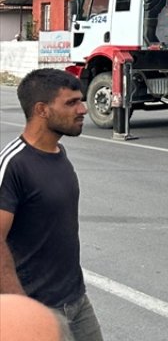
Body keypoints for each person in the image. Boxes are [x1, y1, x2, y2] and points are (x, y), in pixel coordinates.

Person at [0, 69, 104, 340]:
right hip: (37, 305)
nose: (83, 109)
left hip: (77, 302)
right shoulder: (14, 164)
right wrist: (22, 308)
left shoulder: (58, 153)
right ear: (42, 110)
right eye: (71, 103)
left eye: (81, 100)